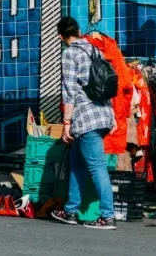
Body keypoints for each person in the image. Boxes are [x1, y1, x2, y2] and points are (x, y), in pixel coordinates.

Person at [51, 16, 117, 230]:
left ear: (61, 36)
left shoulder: (70, 53)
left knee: (97, 166)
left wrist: (66, 123)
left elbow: (68, 91)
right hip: (103, 114)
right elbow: (104, 81)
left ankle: (107, 216)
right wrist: (113, 116)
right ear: (78, 31)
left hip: (85, 118)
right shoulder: (94, 50)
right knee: (77, 164)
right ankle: (71, 210)